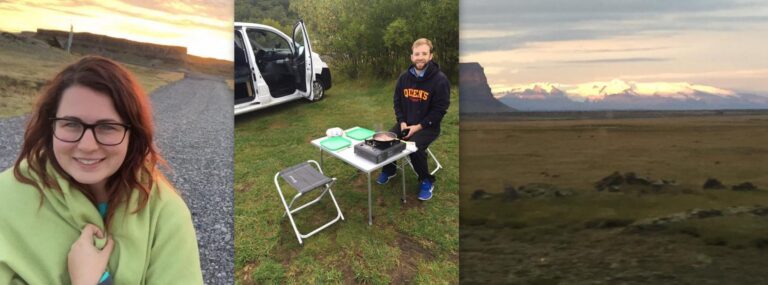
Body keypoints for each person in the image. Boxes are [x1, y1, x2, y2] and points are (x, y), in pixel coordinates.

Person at [0, 56, 203, 284]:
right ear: (51, 126)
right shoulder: (5, 200)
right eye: (71, 124)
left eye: (107, 127)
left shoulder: (165, 215)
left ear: (132, 134)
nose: (87, 146)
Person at [377, 38, 450, 201]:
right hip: (406, 122)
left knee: (414, 149)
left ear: (431, 56)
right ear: (412, 57)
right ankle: (390, 170)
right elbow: (397, 101)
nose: (420, 57)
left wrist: (418, 127)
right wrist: (402, 121)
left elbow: (440, 110)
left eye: (424, 53)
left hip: (428, 127)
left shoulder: (440, 80)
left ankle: (426, 180)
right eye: (417, 54)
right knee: (385, 139)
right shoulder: (404, 78)